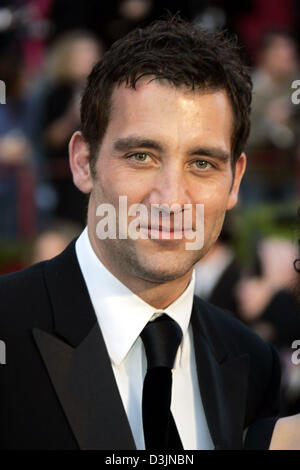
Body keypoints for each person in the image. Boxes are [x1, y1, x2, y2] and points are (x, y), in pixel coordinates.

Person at [0, 16, 281, 450]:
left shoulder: (253, 365)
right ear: (82, 162)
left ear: (235, 181)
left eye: (202, 163)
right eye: (142, 156)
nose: (170, 198)